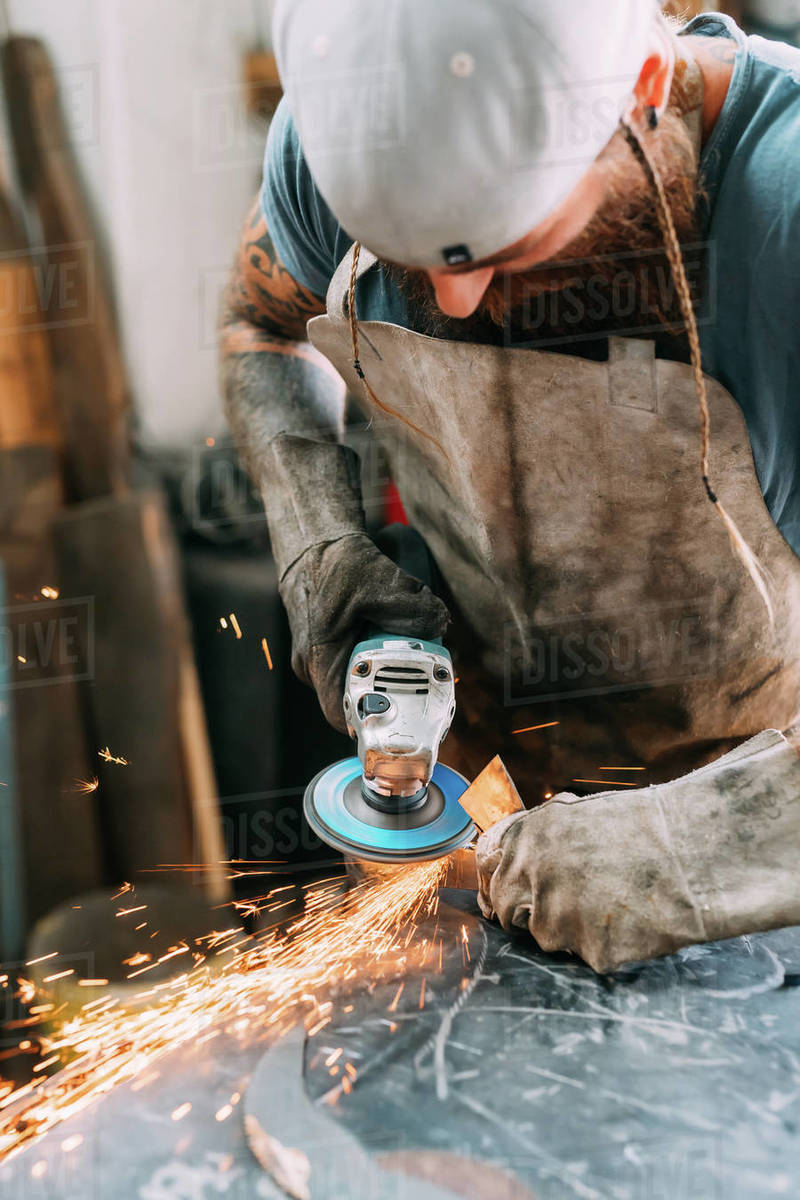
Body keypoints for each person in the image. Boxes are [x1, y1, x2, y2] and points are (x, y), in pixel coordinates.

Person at [221, 0, 800, 971]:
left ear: (643, 90)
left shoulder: (779, 213)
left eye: (506, 245)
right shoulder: (343, 141)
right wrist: (318, 539)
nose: (454, 298)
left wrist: (690, 848)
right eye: (407, 260)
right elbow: (259, 326)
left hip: (756, 865)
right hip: (478, 809)